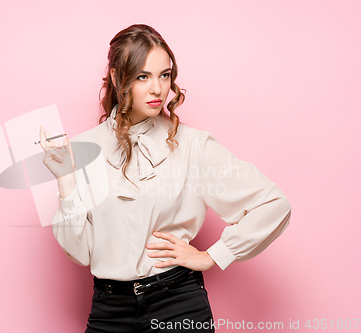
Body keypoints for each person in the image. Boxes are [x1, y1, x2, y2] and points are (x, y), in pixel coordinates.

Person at [38, 24, 291, 333]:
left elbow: (274, 204)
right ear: (118, 78)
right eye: (143, 76)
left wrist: (213, 255)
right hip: (108, 308)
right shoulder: (80, 150)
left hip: (178, 303)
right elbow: (79, 254)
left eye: (165, 75)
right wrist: (65, 180)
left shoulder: (193, 145)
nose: (158, 89)